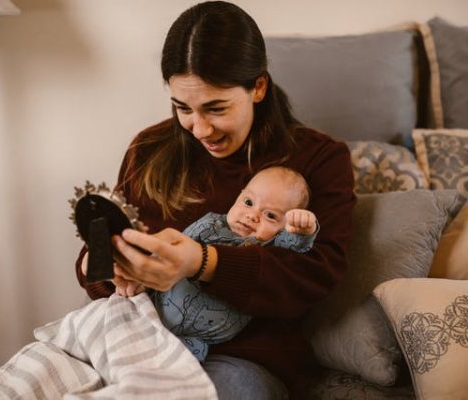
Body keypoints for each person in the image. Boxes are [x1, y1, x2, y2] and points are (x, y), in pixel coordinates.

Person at [75, 1, 355, 398]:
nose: (199, 128)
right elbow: (110, 247)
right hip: (141, 339)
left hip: (242, 358)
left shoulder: (318, 159)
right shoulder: (149, 149)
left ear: (258, 87)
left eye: (216, 108)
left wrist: (202, 262)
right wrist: (103, 267)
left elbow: (316, 275)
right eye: (182, 109)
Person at [152, 166, 319, 362]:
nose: (253, 216)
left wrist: (305, 228)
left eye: (271, 216)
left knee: (175, 368)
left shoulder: (270, 245)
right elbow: (174, 250)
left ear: (283, 228)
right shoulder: (210, 224)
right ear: (238, 196)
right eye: (248, 202)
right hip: (155, 310)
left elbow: (297, 246)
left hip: (198, 340)